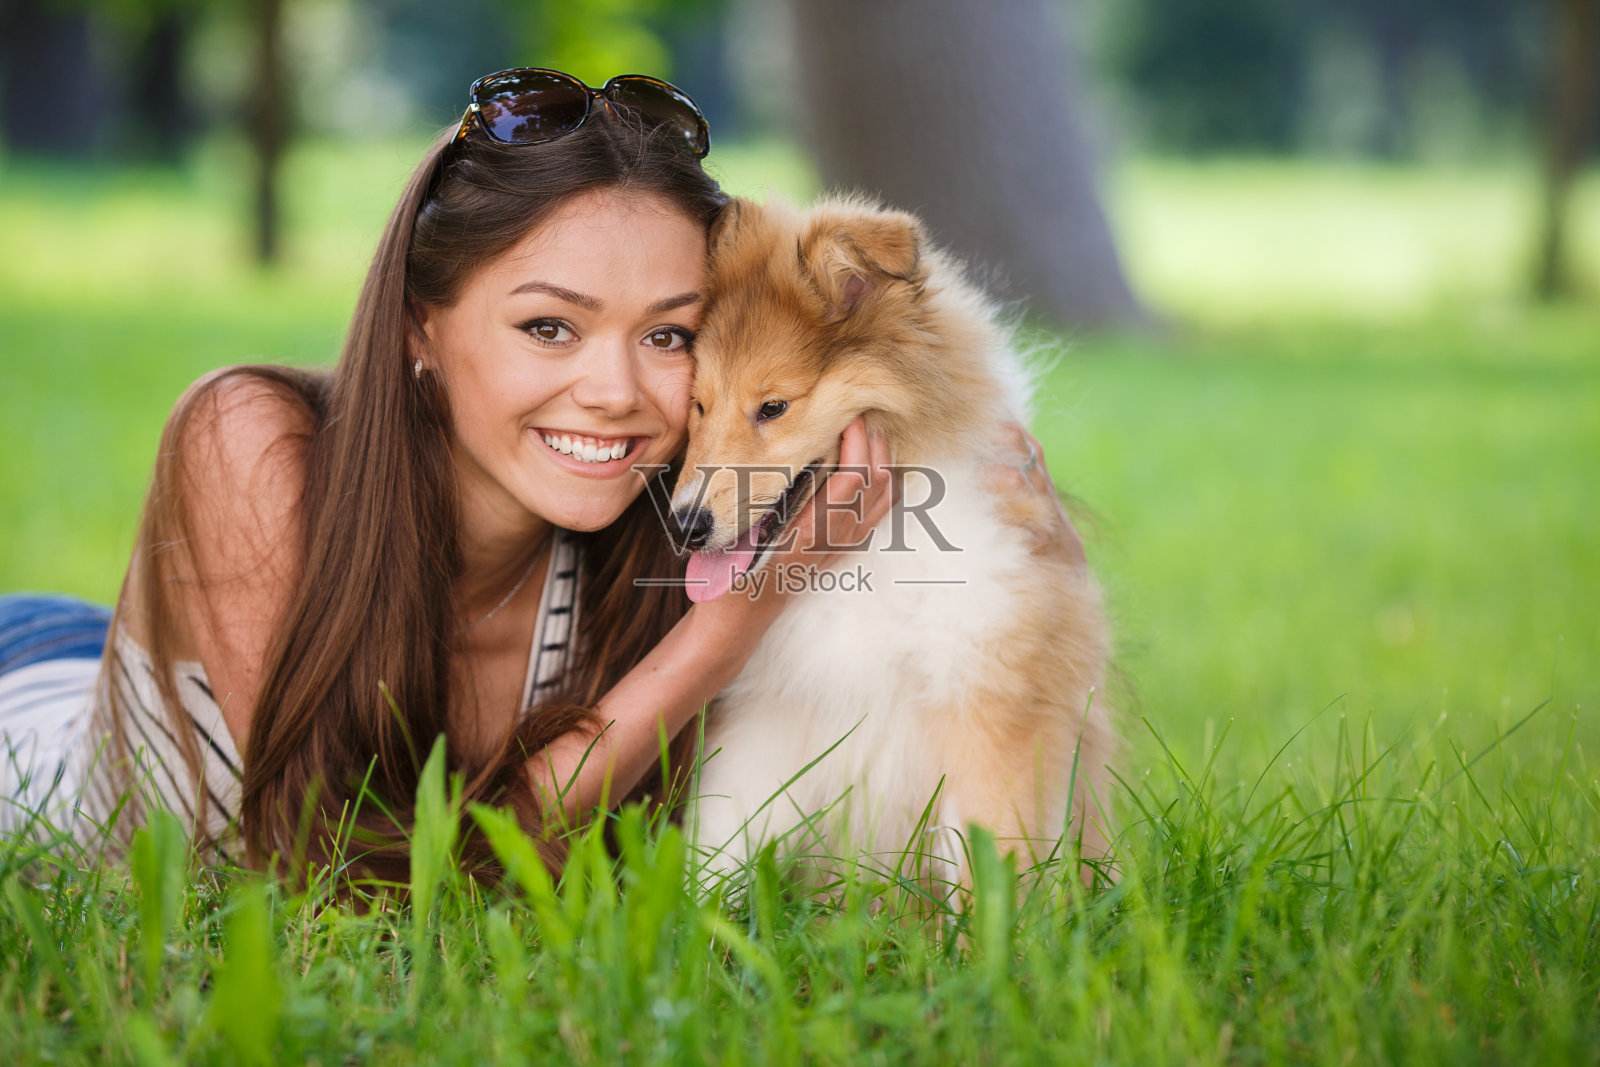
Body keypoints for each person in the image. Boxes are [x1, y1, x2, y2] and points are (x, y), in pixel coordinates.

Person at [0, 68, 1079, 884]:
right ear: (422, 326)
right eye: (549, 325)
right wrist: (731, 621)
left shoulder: (673, 514)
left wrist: (1023, 542)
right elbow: (336, 869)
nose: (615, 391)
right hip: (34, 692)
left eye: (668, 339)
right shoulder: (253, 440)